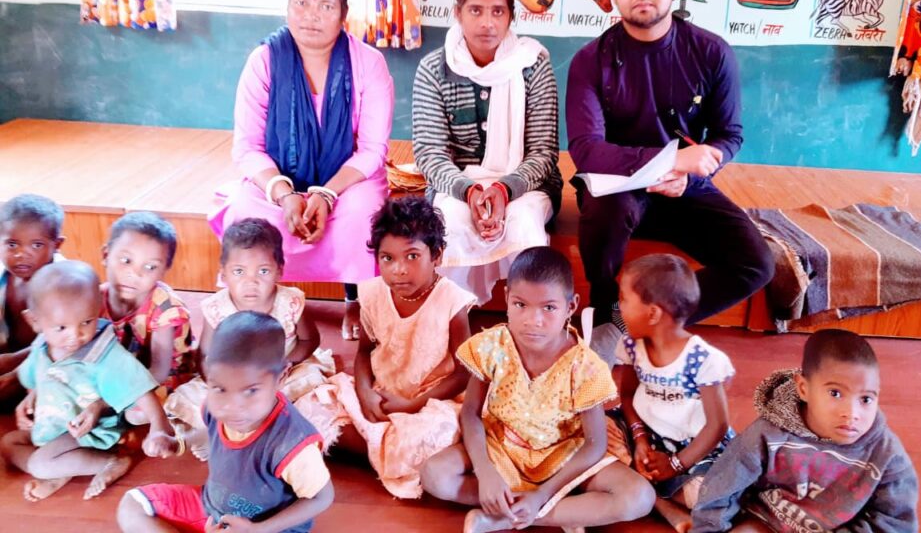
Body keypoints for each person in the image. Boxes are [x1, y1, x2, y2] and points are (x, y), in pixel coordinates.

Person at [565, 0, 773, 329]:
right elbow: (587, 149)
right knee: (605, 212)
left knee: (757, 264)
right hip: (618, 189)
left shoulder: (712, 52)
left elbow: (729, 134)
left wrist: (690, 171)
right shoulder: (590, 61)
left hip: (685, 189)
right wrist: (669, 161)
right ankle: (604, 315)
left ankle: (643, 321)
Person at [210, 0, 394, 339]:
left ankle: (356, 301)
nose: (312, 15)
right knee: (245, 210)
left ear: (343, 14)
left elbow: (373, 149)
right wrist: (284, 194)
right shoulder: (264, 61)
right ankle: (257, 304)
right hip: (279, 179)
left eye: (325, 6)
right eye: (302, 3)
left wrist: (325, 195)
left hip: (346, 180)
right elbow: (247, 147)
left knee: (362, 211)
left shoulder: (368, 63)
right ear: (287, 7)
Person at [420, 246, 655, 533]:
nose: (533, 320)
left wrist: (542, 495)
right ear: (507, 297)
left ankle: (511, 516)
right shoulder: (493, 345)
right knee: (434, 475)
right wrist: (486, 473)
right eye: (520, 305)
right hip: (502, 447)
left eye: (549, 308)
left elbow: (595, 445)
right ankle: (564, 511)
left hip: (564, 453)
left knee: (639, 497)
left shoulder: (586, 366)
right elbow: (470, 413)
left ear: (571, 306)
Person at [295, 197, 475, 498]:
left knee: (438, 435)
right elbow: (365, 352)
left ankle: (376, 445)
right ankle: (386, 449)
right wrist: (365, 392)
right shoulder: (372, 293)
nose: (399, 270)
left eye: (412, 256)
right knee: (307, 410)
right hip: (382, 392)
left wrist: (412, 405)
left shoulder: (452, 301)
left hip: (431, 399)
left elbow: (463, 373)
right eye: (387, 258)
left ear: (437, 256)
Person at [412, 0, 562, 305]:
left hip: (525, 186)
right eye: (476, 11)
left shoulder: (533, 64)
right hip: (457, 185)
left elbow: (543, 153)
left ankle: (529, 316)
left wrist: (503, 190)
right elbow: (430, 154)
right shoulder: (433, 69)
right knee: (451, 222)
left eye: (498, 11)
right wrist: (470, 192)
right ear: (458, 13)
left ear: (511, 16)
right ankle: (452, 316)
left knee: (523, 220)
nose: (487, 23)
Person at [117, 311, 335, 532]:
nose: (231, 406)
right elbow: (213, 432)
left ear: (281, 376)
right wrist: (177, 443)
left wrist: (257, 529)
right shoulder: (217, 406)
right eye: (220, 388)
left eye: (251, 391)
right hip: (211, 508)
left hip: (263, 527)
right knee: (132, 505)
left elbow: (321, 497)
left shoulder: (291, 443)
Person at [691, 329, 919, 533]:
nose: (851, 413)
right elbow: (722, 487)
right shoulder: (768, 435)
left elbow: (895, 523)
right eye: (835, 394)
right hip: (765, 522)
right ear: (803, 388)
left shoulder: (887, 455)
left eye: (866, 399)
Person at [0, 261, 177, 502]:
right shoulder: (42, 345)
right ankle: (63, 468)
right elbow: (37, 376)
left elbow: (139, 388)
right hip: (50, 424)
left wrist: (159, 427)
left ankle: (109, 462)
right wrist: (30, 398)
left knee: (40, 465)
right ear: (35, 321)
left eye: (86, 322)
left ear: (97, 310)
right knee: (8, 443)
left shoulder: (103, 353)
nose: (76, 335)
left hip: (86, 431)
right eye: (62, 327)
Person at [165, 218, 334, 457]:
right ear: (223, 274)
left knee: (311, 387)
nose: (251, 282)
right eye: (239, 271)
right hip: (231, 380)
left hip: (281, 375)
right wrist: (221, 385)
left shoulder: (290, 302)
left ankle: (271, 434)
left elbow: (310, 340)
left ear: (279, 270)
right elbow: (204, 355)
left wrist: (286, 363)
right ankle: (222, 433)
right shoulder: (217, 308)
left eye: (263, 271)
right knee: (197, 397)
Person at [612, 254, 735, 532]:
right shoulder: (631, 345)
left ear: (653, 313)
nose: (619, 308)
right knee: (588, 435)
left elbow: (717, 426)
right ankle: (659, 501)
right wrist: (640, 440)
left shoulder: (704, 360)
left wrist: (675, 464)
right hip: (643, 432)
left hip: (693, 445)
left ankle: (646, 491)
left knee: (713, 493)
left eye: (624, 300)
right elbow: (627, 395)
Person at [101, 211, 194, 416]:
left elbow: (159, 371)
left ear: (164, 270)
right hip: (117, 372)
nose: (135, 274)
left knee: (135, 411)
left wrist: (104, 402)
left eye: (150, 267)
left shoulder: (166, 309)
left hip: (158, 378)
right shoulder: (94, 298)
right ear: (106, 256)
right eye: (126, 260)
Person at [0, 194, 65, 404]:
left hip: (55, 367)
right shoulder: (3, 276)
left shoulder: (68, 284)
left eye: (36, 245)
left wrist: (14, 368)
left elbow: (68, 342)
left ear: (57, 245)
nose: (22, 254)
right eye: (12, 244)